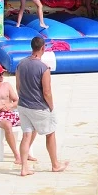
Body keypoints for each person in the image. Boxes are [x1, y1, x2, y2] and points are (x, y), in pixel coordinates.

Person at [16, 36, 68, 176]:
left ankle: (24, 168)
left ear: (32, 47)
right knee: (50, 134)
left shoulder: (21, 64)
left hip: (23, 105)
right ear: (43, 48)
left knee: (26, 136)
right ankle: (55, 165)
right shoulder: (44, 68)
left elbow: (18, 87)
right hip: (38, 106)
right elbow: (47, 92)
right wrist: (51, 107)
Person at [0, 63, 35, 165]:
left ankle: (25, 152)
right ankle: (17, 155)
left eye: (2, 73)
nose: (1, 76)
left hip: (10, 113)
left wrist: (10, 105)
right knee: (8, 125)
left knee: (33, 125)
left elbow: (18, 101)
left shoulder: (7, 86)